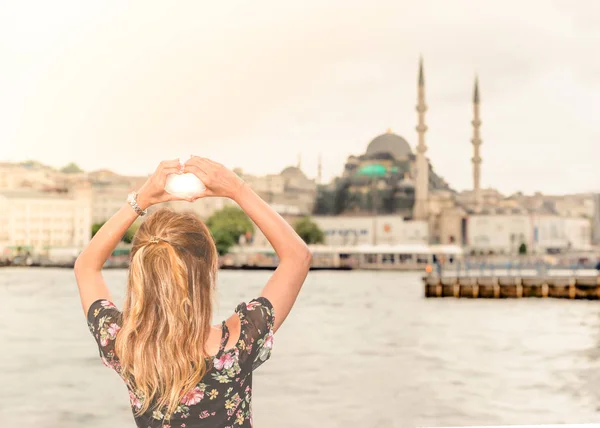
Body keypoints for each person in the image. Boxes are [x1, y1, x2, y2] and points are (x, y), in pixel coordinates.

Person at [74, 157, 312, 427]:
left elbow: (86, 267)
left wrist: (140, 199)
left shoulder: (125, 346)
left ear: (140, 273)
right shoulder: (237, 344)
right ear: (208, 272)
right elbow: (297, 257)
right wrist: (237, 189)